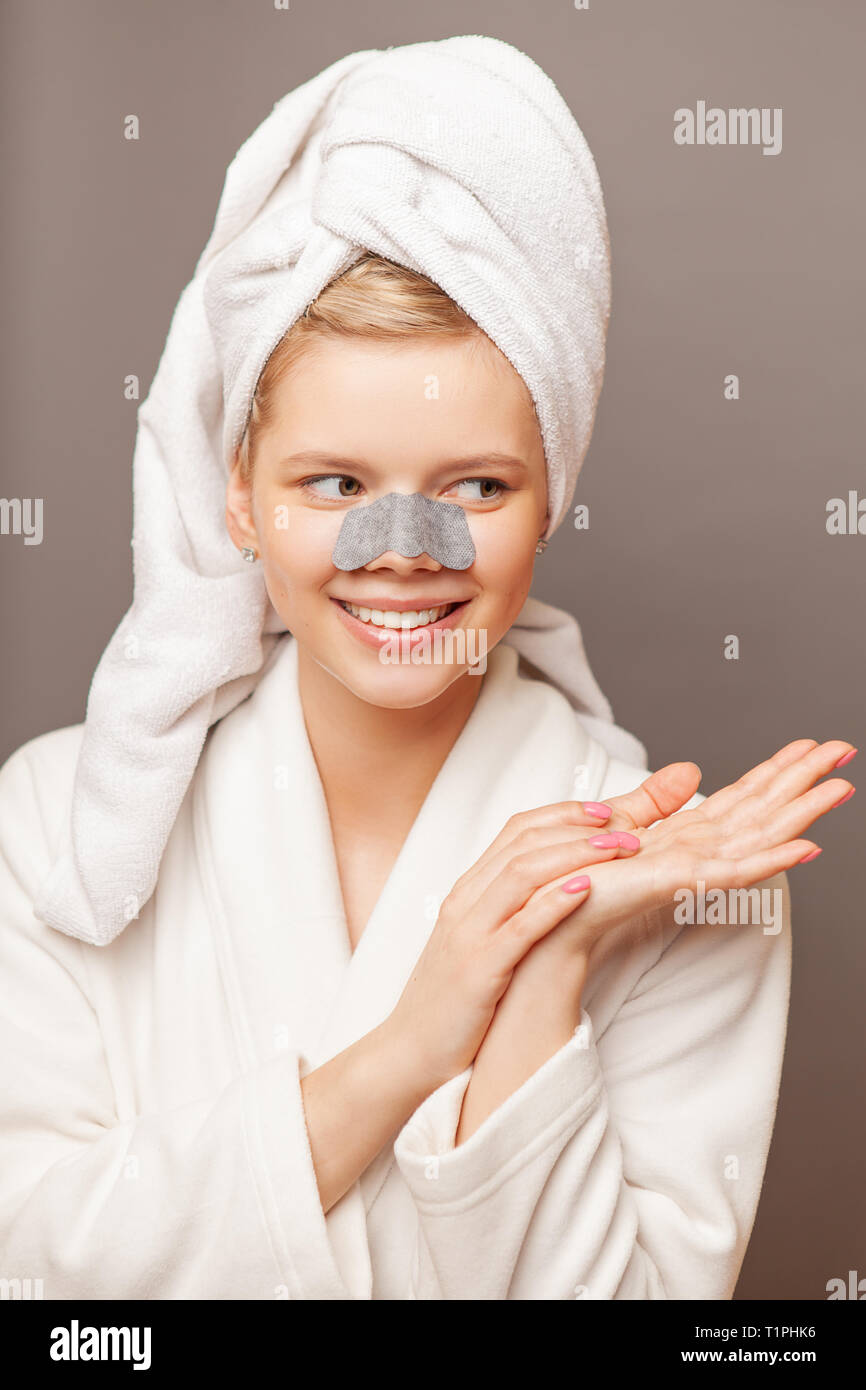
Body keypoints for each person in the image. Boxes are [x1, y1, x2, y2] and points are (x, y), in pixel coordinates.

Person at [0, 38, 855, 1301]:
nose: (402, 553)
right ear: (237, 493)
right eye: (334, 483)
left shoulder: (687, 890)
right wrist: (415, 1038)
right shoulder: (50, 830)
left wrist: (544, 974)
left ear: (550, 490)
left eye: (474, 486)